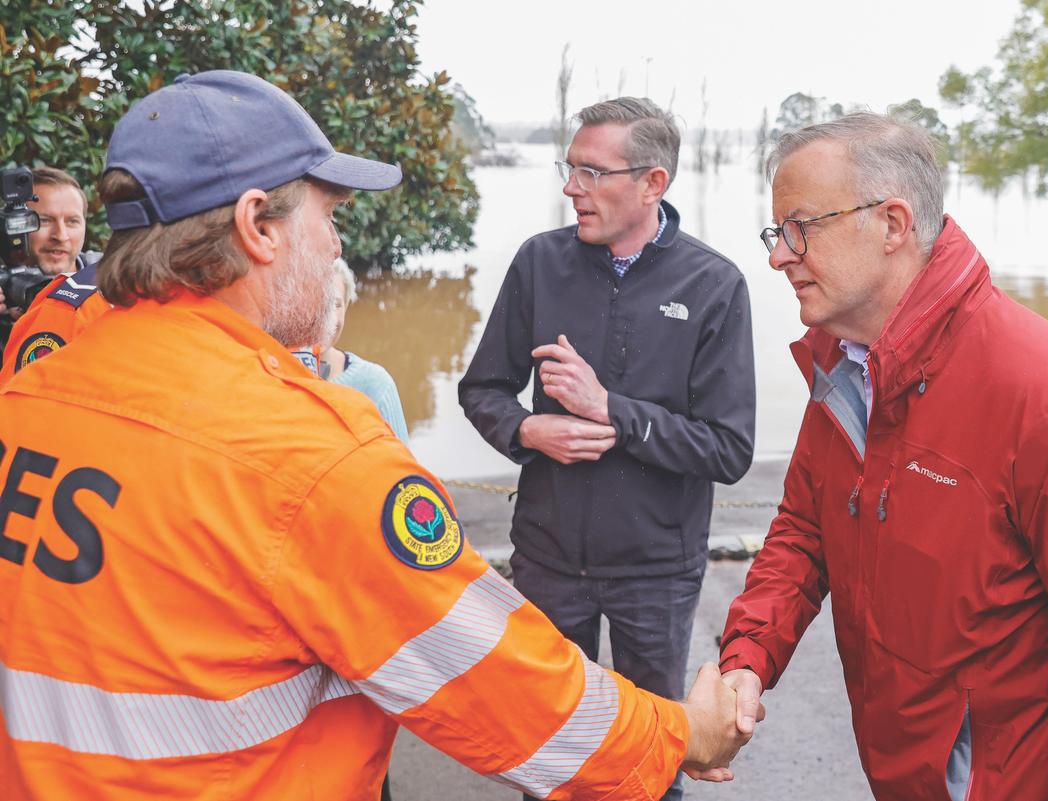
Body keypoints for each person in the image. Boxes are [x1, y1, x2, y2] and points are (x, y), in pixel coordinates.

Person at [0, 70, 757, 801]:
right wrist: (686, 733)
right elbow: (502, 687)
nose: (335, 248)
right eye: (328, 217)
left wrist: (615, 415)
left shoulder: (26, 395)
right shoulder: (314, 456)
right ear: (257, 227)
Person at [719, 112, 1048, 800]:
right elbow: (804, 531)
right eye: (775, 232)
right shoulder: (846, 365)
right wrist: (747, 659)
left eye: (800, 228)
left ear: (892, 224)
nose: (778, 256)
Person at [459, 97, 756, 801]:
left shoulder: (713, 285)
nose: (572, 188)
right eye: (570, 169)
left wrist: (611, 411)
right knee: (548, 756)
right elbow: (483, 390)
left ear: (653, 183)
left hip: (656, 571)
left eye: (592, 172)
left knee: (650, 759)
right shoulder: (540, 263)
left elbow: (728, 449)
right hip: (546, 557)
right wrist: (527, 430)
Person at [0, 168, 107, 372]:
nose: (61, 235)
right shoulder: (5, 285)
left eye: (72, 221)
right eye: (45, 221)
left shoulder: (114, 276)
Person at [294, 258, 410, 442]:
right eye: (311, 302)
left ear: (346, 306)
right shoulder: (266, 377)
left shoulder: (376, 384)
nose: (323, 318)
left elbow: (402, 458)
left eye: (335, 304)